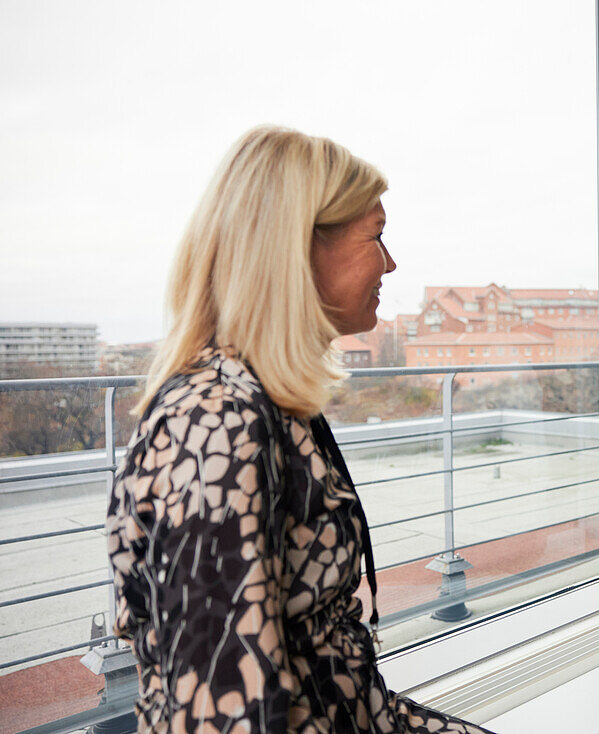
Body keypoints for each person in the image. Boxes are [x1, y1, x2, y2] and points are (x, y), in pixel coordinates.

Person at [106, 126, 492, 733]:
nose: (391, 262)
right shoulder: (215, 422)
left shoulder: (273, 406)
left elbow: (337, 679)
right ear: (296, 248)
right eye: (377, 236)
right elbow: (224, 719)